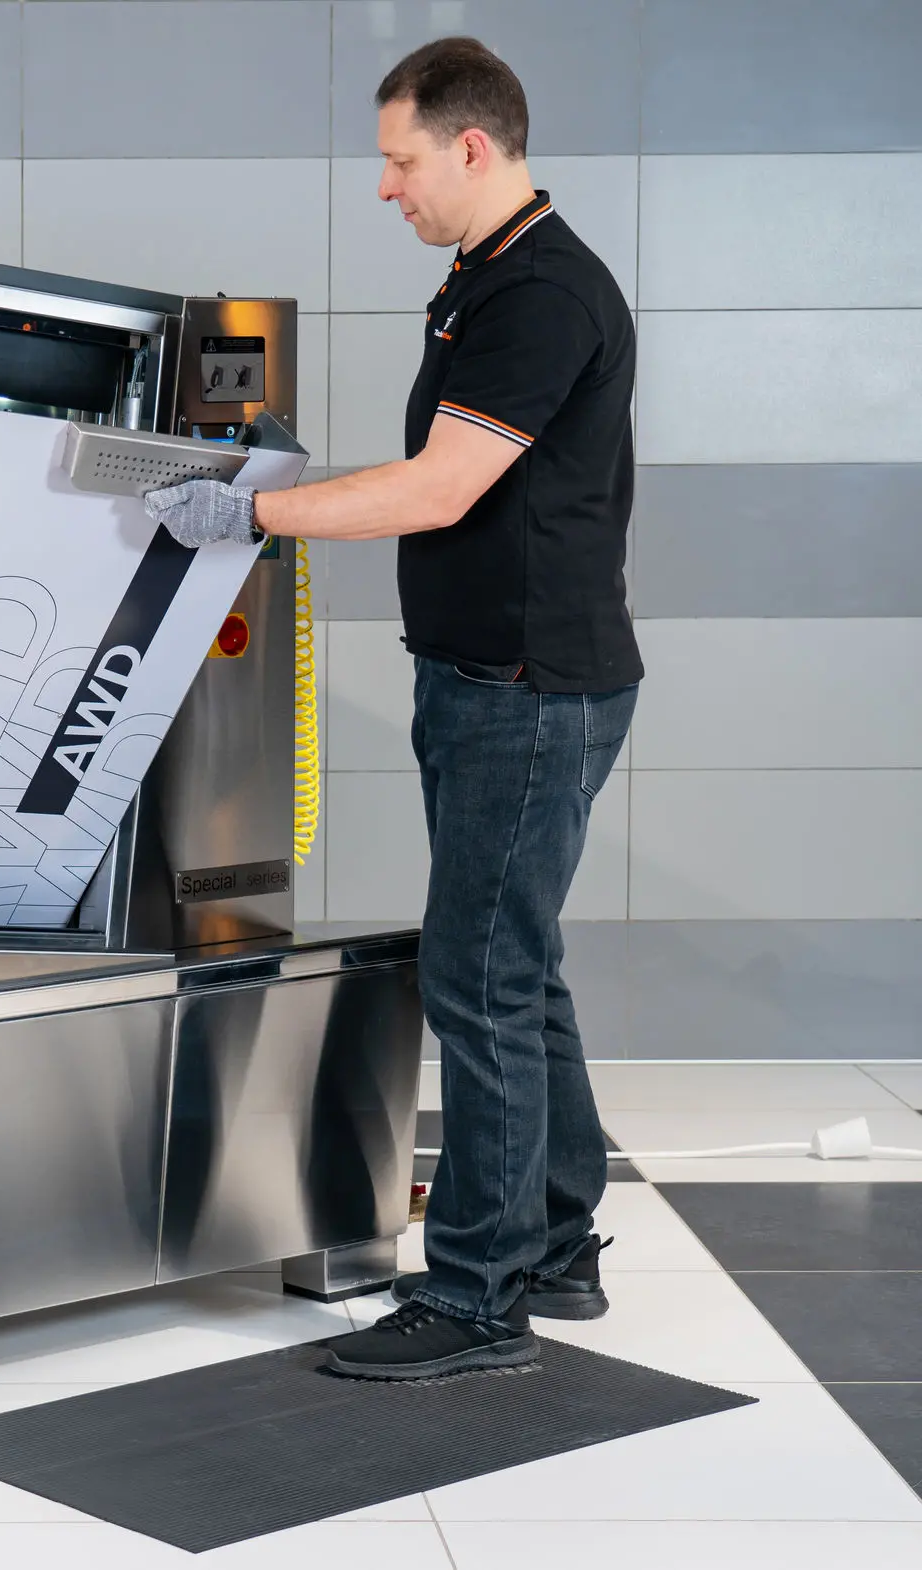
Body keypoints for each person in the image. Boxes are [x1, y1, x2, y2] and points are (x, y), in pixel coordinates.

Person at [145, 36, 642, 1380]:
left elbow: (439, 486)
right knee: (516, 964)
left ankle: (479, 1297)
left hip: (525, 690)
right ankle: (556, 1242)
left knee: (478, 977)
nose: (385, 186)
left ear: (472, 146)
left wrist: (252, 515)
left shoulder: (541, 292)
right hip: (500, 678)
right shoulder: (483, 278)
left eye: (399, 159)